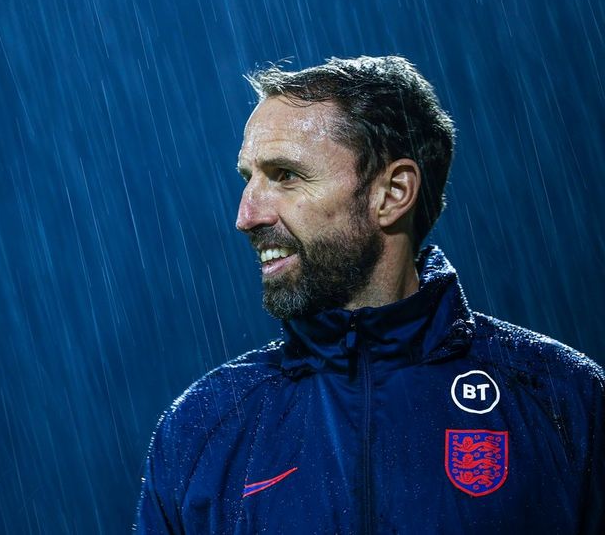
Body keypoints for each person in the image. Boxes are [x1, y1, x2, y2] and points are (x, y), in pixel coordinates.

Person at [134, 56, 604, 533]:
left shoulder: (564, 399)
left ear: (393, 193)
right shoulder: (201, 424)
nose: (247, 216)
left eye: (285, 176)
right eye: (248, 179)